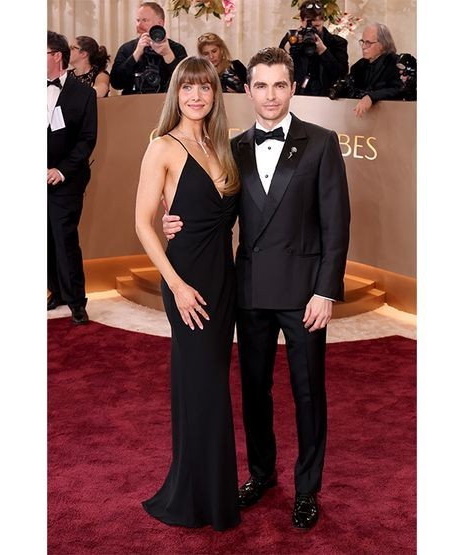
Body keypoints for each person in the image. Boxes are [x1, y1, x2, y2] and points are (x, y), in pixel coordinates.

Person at [163, 47, 351, 529]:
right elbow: (216, 211)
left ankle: (307, 488)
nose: (270, 95)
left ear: (293, 88)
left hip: (305, 293)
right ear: (247, 91)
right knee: (254, 390)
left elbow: (337, 223)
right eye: (261, 85)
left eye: (279, 85)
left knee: (308, 393)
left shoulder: (322, 142)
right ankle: (263, 473)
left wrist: (325, 290)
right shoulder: (234, 147)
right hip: (248, 290)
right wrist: (172, 221)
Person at [134, 56, 242, 531]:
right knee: (204, 386)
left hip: (224, 279)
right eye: (187, 88)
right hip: (188, 282)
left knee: (212, 383)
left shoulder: (222, 146)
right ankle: (197, 497)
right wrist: (176, 286)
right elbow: (142, 223)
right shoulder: (162, 146)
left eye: (205, 89)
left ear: (216, 95)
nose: (196, 97)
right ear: (175, 93)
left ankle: (210, 490)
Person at [47, 31, 97, 324]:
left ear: (56, 56)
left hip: (67, 179)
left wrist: (61, 170)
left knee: (64, 238)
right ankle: (57, 291)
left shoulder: (83, 93)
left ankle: (77, 300)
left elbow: (87, 140)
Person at [110, 2, 189, 94]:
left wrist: (168, 55)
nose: (139, 25)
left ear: (160, 23)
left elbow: (186, 83)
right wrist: (136, 55)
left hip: (166, 104)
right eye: (138, 20)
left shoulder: (176, 49)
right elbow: (116, 83)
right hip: (133, 104)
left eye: (145, 20)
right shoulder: (127, 49)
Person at [277, 1, 348, 96]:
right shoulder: (291, 39)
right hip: (297, 96)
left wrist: (323, 51)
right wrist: (288, 49)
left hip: (326, 98)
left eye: (317, 26)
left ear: (323, 21)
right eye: (309, 26)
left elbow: (342, 74)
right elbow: (277, 71)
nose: (312, 31)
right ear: (301, 21)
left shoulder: (337, 43)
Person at [347, 22, 404, 117]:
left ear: (382, 44)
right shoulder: (358, 66)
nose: (363, 47)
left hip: (390, 118)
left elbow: (398, 89)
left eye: (368, 43)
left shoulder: (396, 63)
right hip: (360, 118)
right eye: (362, 41)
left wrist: (371, 97)